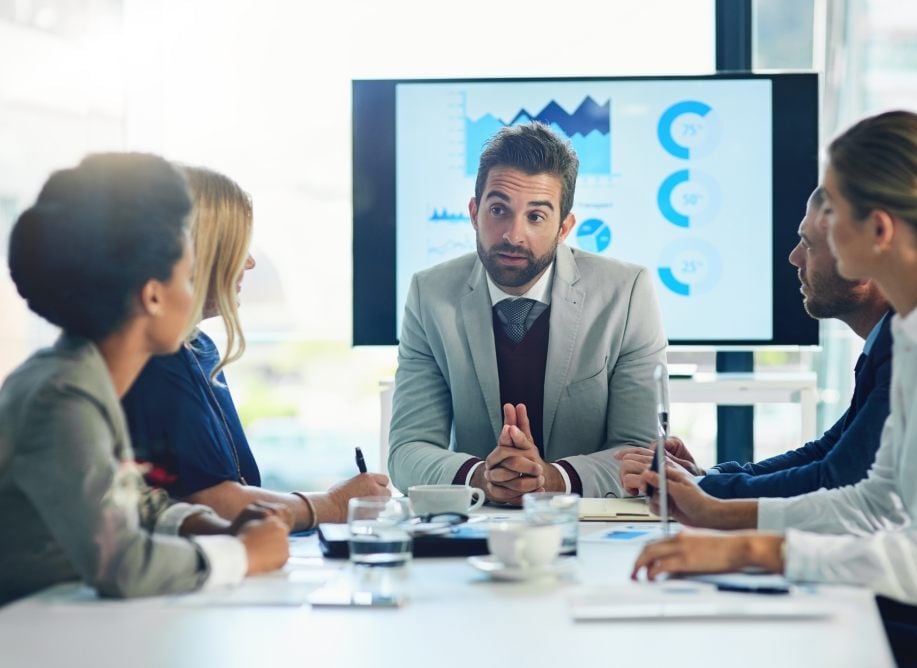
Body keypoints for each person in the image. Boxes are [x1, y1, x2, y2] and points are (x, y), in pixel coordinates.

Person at [632, 111, 917, 666]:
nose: (814, 232)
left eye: (830, 212)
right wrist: (718, 521)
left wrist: (750, 549)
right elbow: (874, 500)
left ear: (878, 230)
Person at [0, 153, 290, 605]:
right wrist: (240, 554)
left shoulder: (82, 380)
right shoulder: (63, 399)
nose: (193, 298)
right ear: (153, 297)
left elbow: (133, 503)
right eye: (188, 281)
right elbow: (124, 565)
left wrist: (219, 525)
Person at [388, 122, 667, 502]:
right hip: (478, 526)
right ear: (474, 212)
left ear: (564, 227)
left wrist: (552, 479)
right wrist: (481, 477)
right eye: (499, 210)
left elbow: (641, 452)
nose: (512, 235)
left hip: (590, 525)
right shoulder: (430, 294)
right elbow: (407, 450)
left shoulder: (626, 292)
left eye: (536, 217)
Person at [122, 166, 388, 532]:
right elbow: (216, 503)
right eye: (237, 247)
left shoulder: (198, 348)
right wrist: (332, 504)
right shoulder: (157, 361)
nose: (248, 262)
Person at [616, 187, 893, 499]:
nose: (794, 258)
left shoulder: (902, 351)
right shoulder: (886, 341)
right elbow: (829, 450)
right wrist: (705, 476)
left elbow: (837, 476)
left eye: (808, 244)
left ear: (862, 259)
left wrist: (700, 488)